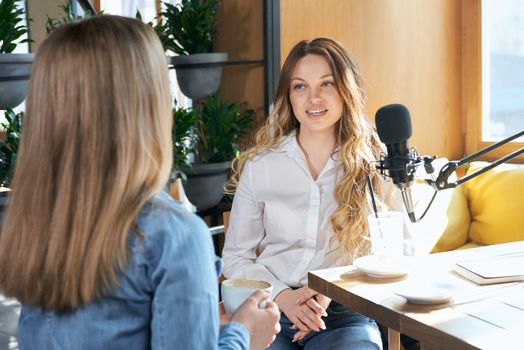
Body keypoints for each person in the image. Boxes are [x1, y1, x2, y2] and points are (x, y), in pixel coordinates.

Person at [0, 15, 280, 349]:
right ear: (148, 105)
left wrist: (198, 320)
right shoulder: (174, 236)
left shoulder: (37, 223)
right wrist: (244, 335)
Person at [222, 38, 407, 349]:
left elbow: (402, 253)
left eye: (326, 84)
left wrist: (334, 286)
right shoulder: (261, 165)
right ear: (288, 95)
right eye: (300, 86)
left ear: (346, 90)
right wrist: (284, 297)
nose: (313, 98)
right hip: (271, 309)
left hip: (346, 312)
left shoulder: (378, 163)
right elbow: (236, 256)